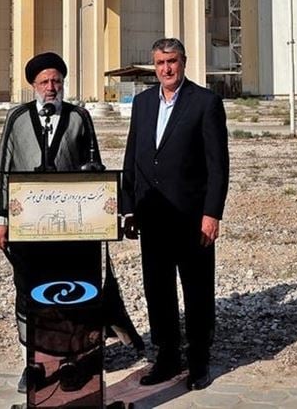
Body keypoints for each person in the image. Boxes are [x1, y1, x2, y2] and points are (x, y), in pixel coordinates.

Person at [0, 51, 142, 393]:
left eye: (56, 81)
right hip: (28, 228)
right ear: (33, 85)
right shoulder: (17, 119)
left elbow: (95, 166)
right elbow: (3, 168)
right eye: (44, 82)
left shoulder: (79, 117)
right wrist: (0, 217)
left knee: (74, 290)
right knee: (30, 292)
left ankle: (74, 359)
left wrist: (106, 208)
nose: (51, 87)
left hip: (72, 229)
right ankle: (33, 363)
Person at [121, 38, 229, 391]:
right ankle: (166, 357)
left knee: (197, 290)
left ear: (183, 62)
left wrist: (211, 214)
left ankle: (199, 360)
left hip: (191, 218)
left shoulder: (205, 103)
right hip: (152, 216)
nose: (166, 69)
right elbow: (133, 157)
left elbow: (218, 166)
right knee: (158, 290)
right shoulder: (143, 104)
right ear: (153, 66)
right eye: (160, 63)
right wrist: (128, 207)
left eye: (172, 61)